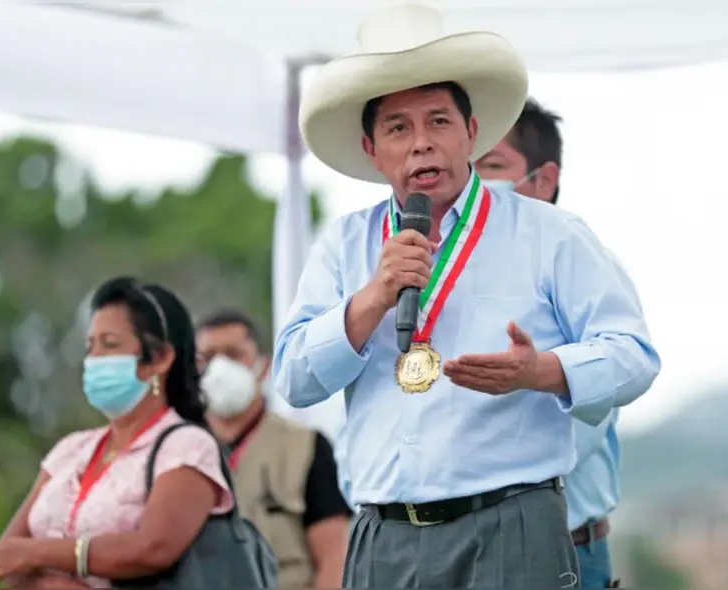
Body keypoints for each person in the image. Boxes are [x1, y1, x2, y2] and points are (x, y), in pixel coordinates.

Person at [274, 4, 661, 588]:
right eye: (398, 128)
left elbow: (634, 356)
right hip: (382, 535)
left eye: (439, 121)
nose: (421, 144)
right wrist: (374, 297)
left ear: (472, 133)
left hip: (511, 523)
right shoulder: (344, 243)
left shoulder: (549, 232)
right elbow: (294, 379)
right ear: (372, 150)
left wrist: (542, 370)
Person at [0, 277, 234, 589]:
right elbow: (5, 556)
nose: (94, 359)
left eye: (110, 345)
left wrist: (39, 557)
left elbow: (153, 548)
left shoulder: (187, 447)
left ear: (159, 359)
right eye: (91, 347)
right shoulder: (71, 450)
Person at [476, 98, 631, 588]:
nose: (473, 185)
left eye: (491, 167)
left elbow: (613, 379)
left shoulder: (580, 262)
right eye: (466, 168)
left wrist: (539, 372)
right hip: (462, 557)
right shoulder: (448, 275)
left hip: (561, 553)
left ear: (542, 180)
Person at [195, 309, 350, 589]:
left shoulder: (305, 447)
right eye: (207, 357)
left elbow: (334, 560)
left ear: (263, 366)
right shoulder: (179, 448)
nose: (219, 368)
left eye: (233, 354)